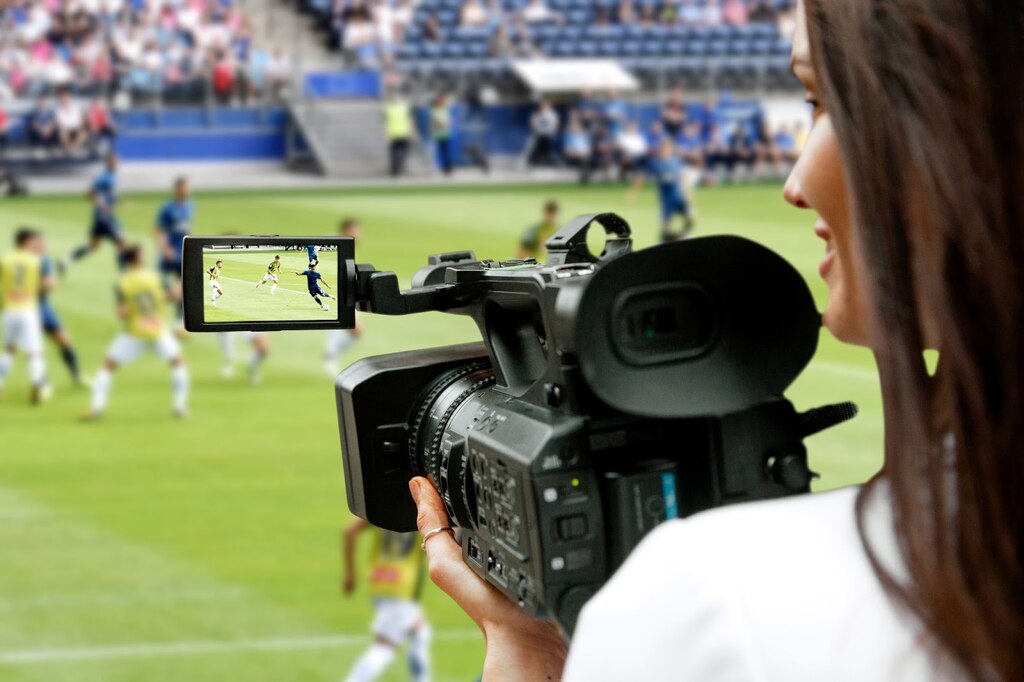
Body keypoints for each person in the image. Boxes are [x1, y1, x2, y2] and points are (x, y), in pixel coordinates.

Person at [409, 1, 1024, 680]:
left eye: (823, 102)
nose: (795, 184)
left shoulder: (715, 604)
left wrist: (529, 652)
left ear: (960, 136)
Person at [85, 245, 189, 420]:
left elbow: (122, 313)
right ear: (138, 258)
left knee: (107, 367)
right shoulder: (156, 277)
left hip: (134, 332)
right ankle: (180, 407)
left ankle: (96, 408)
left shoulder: (122, 282)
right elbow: (174, 296)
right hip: (158, 331)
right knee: (177, 364)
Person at [341, 519, 431, 682]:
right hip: (402, 586)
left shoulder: (381, 506)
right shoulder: (422, 511)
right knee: (384, 647)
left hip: (379, 579)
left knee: (420, 633)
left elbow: (350, 530)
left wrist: (350, 573)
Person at [0, 228, 52, 403]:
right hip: (28, 309)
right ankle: (37, 383)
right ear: (24, 242)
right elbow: (47, 284)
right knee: (34, 352)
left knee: (9, 348)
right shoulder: (36, 261)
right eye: (32, 241)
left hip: (9, 309)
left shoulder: (5, 260)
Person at [31, 233, 86, 386]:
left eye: (44, 243)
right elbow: (47, 284)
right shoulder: (24, 261)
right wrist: (44, 284)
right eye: (39, 243)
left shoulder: (45, 258)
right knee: (33, 347)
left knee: (64, 340)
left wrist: (47, 284)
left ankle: (77, 375)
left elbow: (49, 284)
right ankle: (42, 382)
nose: (43, 245)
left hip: (43, 305)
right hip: (27, 307)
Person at [66, 152, 127, 270]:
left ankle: (67, 260)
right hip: (105, 217)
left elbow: (109, 194)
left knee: (93, 246)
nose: (117, 164)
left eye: (117, 161)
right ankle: (124, 274)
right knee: (121, 243)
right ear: (108, 162)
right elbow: (89, 193)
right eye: (114, 161)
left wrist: (120, 201)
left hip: (101, 216)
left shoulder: (113, 176)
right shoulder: (104, 176)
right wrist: (102, 205)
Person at [628, 138, 695, 242]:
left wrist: (689, 196)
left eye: (669, 148)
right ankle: (665, 246)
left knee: (691, 219)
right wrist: (633, 193)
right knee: (666, 230)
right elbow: (642, 178)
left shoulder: (676, 161)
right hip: (666, 200)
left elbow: (684, 179)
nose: (666, 150)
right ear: (660, 150)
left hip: (678, 197)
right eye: (664, 148)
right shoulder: (654, 164)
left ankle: (681, 236)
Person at [325, 219, 363, 376]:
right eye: (355, 231)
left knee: (355, 331)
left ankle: (330, 355)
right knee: (343, 326)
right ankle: (330, 358)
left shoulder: (349, 248)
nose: (359, 235)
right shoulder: (334, 245)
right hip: (334, 293)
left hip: (345, 293)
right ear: (345, 231)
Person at [154, 176, 195, 319]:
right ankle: (155, 303)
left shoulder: (190, 205)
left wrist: (192, 244)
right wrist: (165, 249)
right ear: (177, 189)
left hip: (182, 253)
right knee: (170, 291)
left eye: (187, 188)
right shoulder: (168, 208)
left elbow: (187, 227)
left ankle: (179, 321)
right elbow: (158, 231)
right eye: (183, 188)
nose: (186, 191)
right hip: (169, 255)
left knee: (185, 288)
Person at [384, 93, 414, 178]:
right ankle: (395, 169)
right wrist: (387, 134)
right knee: (394, 153)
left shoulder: (404, 107)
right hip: (394, 133)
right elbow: (386, 123)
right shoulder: (388, 108)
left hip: (404, 133)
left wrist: (411, 131)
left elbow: (409, 120)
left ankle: (400, 166)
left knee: (404, 152)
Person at [429, 94, 454, 176]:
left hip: (446, 133)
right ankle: (443, 168)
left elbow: (449, 122)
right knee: (441, 152)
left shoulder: (446, 110)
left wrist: (446, 124)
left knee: (447, 152)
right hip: (438, 134)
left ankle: (449, 167)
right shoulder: (434, 111)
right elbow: (433, 123)